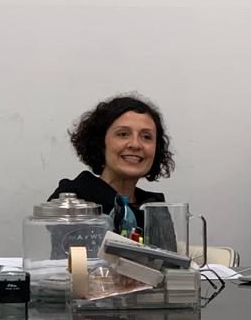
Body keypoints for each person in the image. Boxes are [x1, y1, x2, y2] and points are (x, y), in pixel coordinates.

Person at [49, 94, 174, 226]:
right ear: (100, 143)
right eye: (123, 134)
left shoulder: (154, 209)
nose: (135, 144)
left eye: (146, 137)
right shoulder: (72, 200)